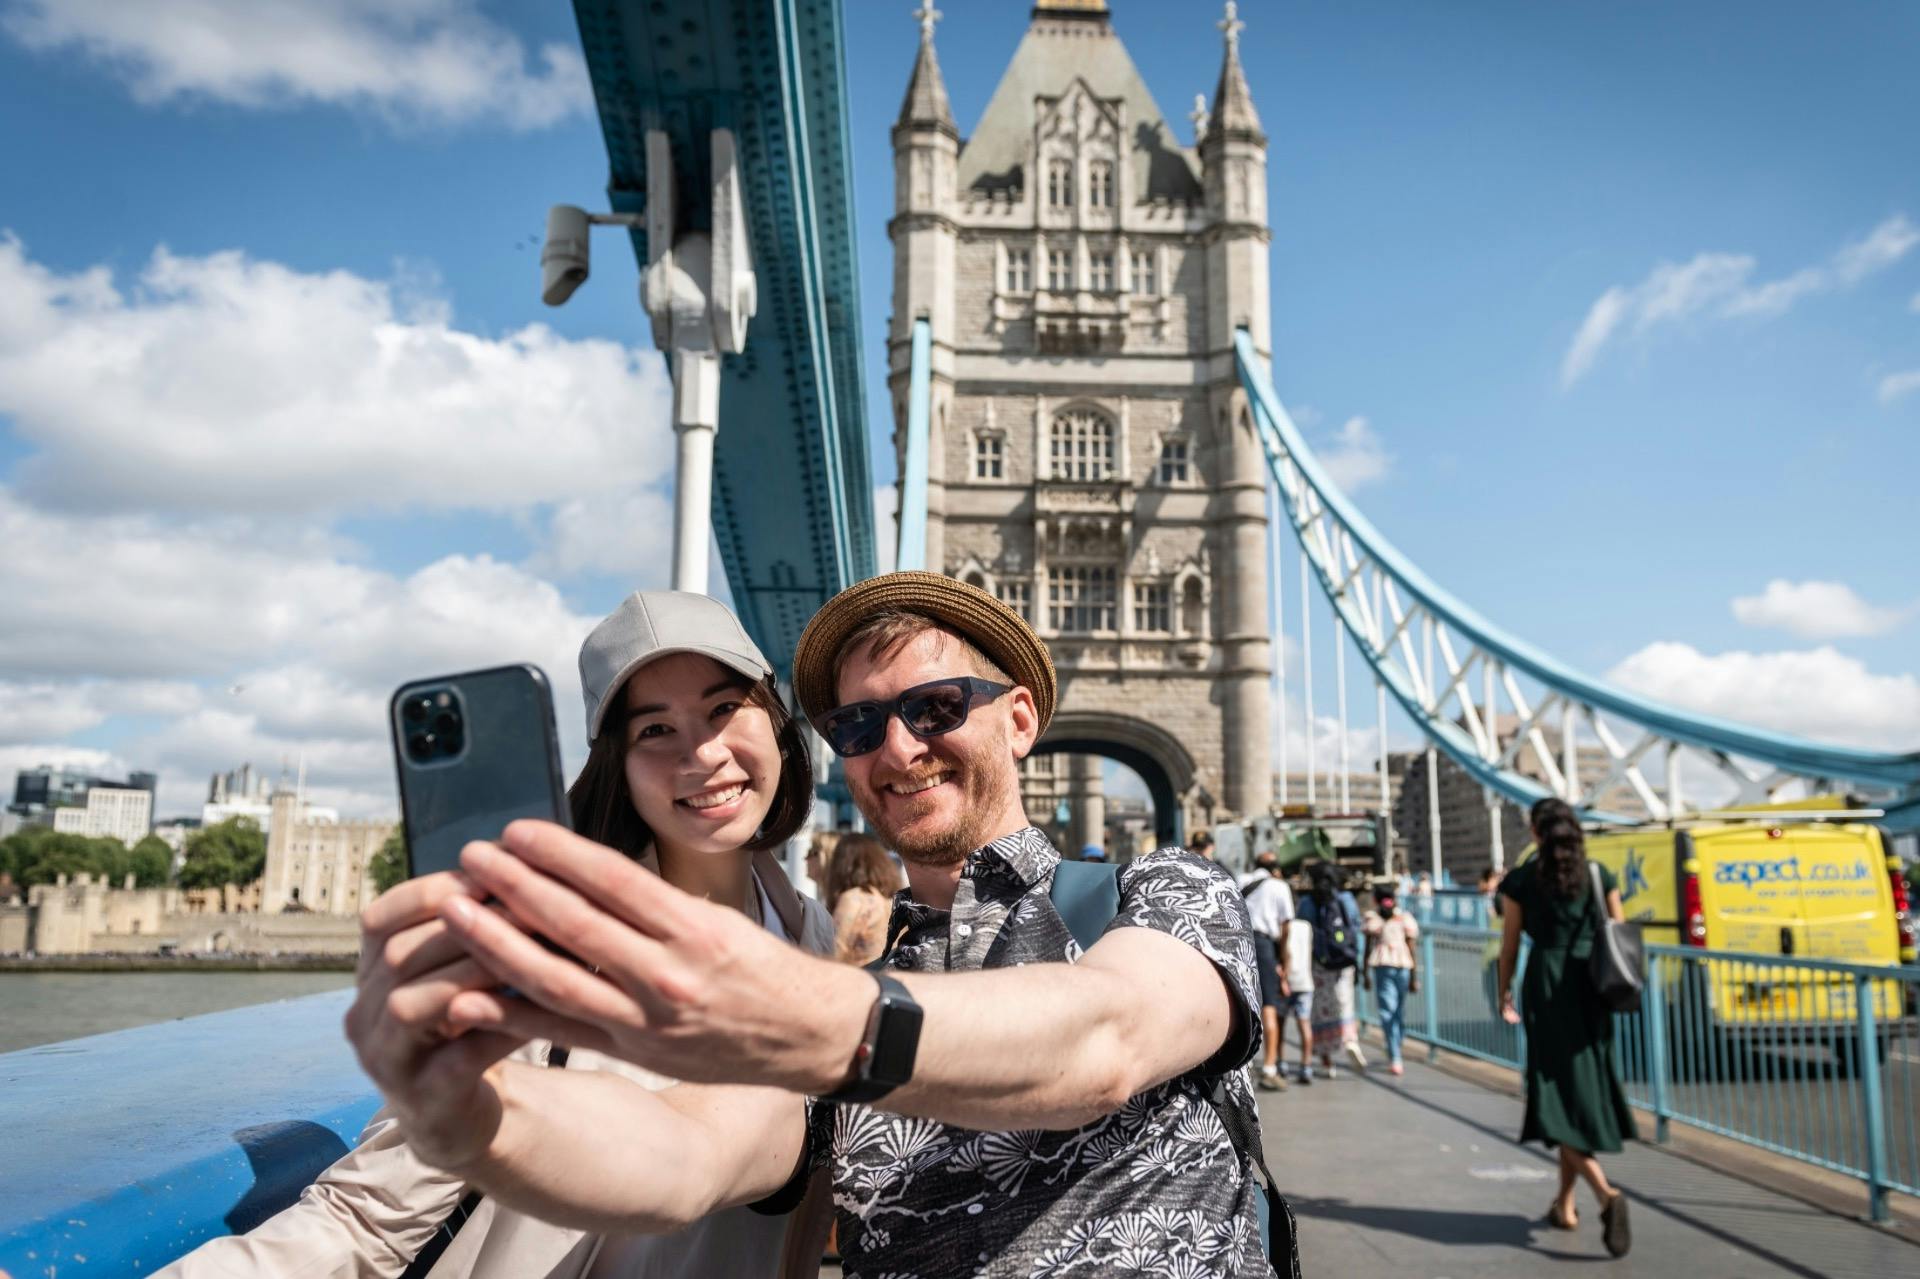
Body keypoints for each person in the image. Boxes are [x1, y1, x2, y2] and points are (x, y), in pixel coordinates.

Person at [344, 571, 1276, 1278]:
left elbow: (1103, 1039)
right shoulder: (849, 976)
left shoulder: (1160, 893)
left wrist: (790, 1005)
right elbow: (684, 1155)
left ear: (1021, 718)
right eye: (860, 726)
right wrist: (466, 1117)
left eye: (935, 707)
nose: (898, 749)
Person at [159, 590, 835, 1278]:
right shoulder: (545, 947)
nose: (702, 753)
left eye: (724, 708)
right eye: (654, 729)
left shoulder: (818, 939)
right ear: (618, 765)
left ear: (776, 719)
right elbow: (367, 1216)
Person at [1498, 812, 1635, 1258]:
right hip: (1592, 986)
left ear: (1536, 833)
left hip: (1549, 985)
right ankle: (1565, 1205)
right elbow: (1620, 926)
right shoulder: (1598, 873)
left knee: (1554, 1099)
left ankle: (1606, 1195)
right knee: (1578, 1091)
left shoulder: (1520, 880)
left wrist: (1503, 992)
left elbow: (1512, 943)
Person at [1296, 861, 1366, 1078]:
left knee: (1321, 1010)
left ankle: (1327, 1062)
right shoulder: (1346, 899)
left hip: (1317, 963)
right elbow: (1356, 929)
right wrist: (1358, 961)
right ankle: (1350, 1040)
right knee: (1344, 1003)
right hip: (1343, 961)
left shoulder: (1307, 902)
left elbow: (1301, 933)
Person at [1241, 851, 1295, 1091]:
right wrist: (1283, 961)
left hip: (1240, 943)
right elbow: (1286, 927)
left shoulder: (1242, 880)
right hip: (1265, 946)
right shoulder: (1279, 886)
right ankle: (1270, 1068)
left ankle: (1243, 1066)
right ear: (1276, 868)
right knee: (1269, 1007)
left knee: (1242, 1005)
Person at [1361, 884, 1419, 1077]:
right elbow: (1412, 948)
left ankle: (1395, 1047)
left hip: (1388, 966)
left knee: (1392, 1011)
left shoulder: (1376, 920)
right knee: (1393, 1010)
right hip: (1398, 966)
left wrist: (1364, 973)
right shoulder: (1401, 919)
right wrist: (1414, 976)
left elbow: (1367, 949)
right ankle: (1395, 1050)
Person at [823, 832, 902, 966]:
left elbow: (833, 950)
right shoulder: (892, 900)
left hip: (861, 978)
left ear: (843, 863)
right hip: (890, 979)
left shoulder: (853, 899)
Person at [1276, 895, 1315, 1084]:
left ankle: (1281, 1062)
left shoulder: (1282, 926)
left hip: (1287, 981)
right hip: (1305, 981)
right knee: (1304, 1024)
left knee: (1280, 1024)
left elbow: (1285, 953)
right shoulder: (1307, 927)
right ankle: (1306, 1065)